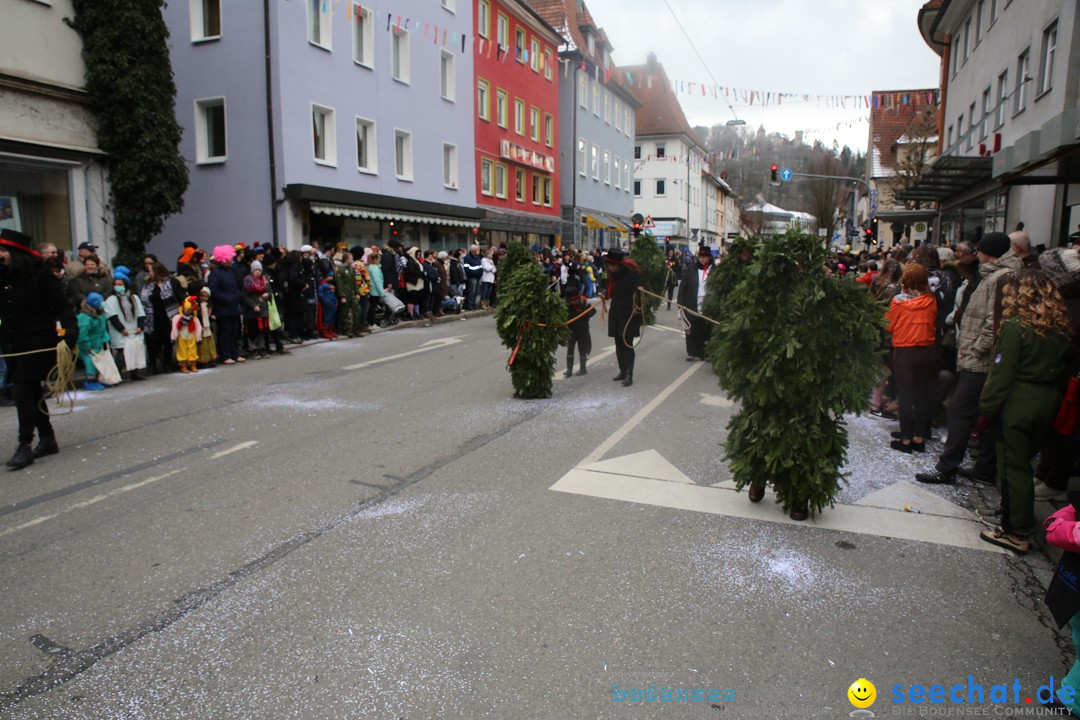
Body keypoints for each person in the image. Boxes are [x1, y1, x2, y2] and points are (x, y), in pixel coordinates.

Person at [916, 232, 1022, 485]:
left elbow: (993, 320)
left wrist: (976, 348)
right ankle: (983, 467)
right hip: (978, 354)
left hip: (980, 358)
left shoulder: (999, 277)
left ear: (988, 251)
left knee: (960, 408)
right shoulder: (994, 274)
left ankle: (948, 466)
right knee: (981, 412)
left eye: (980, 249)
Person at [978, 270, 1071, 555]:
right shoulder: (1059, 328)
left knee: (1014, 467)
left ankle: (1017, 531)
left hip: (1020, 401)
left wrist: (986, 409)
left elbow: (1002, 375)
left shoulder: (1017, 326)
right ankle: (1014, 519)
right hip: (1048, 398)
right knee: (1022, 462)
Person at [0, 229, 78, 469]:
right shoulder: (3, 277)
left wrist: (71, 333)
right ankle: (47, 437)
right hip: (14, 344)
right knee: (32, 391)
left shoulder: (40, 275)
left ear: (16, 253)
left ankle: (25, 445)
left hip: (38, 343)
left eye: (3, 251)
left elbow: (62, 306)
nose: (0, 255)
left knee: (22, 390)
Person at [884, 263, 938, 453]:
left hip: (905, 351)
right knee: (921, 395)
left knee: (906, 396)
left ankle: (906, 440)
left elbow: (888, 325)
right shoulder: (931, 300)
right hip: (927, 351)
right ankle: (919, 437)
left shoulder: (899, 301)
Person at [605, 249, 642, 387]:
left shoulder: (632, 275)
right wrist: (605, 293)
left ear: (617, 264)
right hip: (616, 312)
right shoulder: (613, 275)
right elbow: (609, 290)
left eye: (610, 265)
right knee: (618, 344)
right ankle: (622, 370)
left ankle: (629, 374)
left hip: (629, 314)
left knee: (627, 344)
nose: (608, 268)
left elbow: (640, 288)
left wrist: (640, 290)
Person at [140, 262, 183, 374]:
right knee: (153, 342)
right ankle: (152, 364)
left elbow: (180, 296)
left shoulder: (172, 283)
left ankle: (167, 364)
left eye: (151, 270)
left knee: (168, 341)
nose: (149, 273)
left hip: (168, 316)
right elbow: (144, 300)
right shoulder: (148, 284)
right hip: (153, 317)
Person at [103, 276, 147, 380]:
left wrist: (140, 326)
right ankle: (116, 375)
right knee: (121, 353)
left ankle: (135, 373)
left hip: (134, 329)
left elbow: (141, 313)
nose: (118, 287)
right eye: (116, 285)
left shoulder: (134, 298)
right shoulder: (111, 299)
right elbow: (112, 316)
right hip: (121, 331)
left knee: (135, 351)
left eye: (120, 284)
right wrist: (121, 329)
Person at [207, 245, 244, 365]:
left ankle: (235, 353)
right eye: (229, 258)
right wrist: (227, 298)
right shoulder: (215, 273)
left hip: (233, 306)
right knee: (225, 332)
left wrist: (237, 296)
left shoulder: (231, 271)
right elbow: (214, 290)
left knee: (234, 331)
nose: (232, 260)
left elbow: (236, 286)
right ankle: (226, 354)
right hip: (223, 308)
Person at [677, 246, 714, 362]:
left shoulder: (714, 270)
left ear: (709, 258)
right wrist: (680, 303)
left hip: (708, 304)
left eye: (705, 257)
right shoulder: (691, 269)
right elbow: (683, 286)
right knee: (692, 329)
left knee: (706, 329)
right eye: (701, 257)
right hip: (692, 303)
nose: (702, 260)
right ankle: (692, 352)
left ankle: (705, 352)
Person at [76, 292, 111, 391]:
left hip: (98, 343)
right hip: (88, 346)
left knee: (99, 361)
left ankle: (99, 378)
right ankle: (90, 380)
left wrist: (105, 339)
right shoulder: (84, 317)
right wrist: (86, 345)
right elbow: (82, 333)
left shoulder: (100, 315)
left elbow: (103, 329)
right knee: (90, 361)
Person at [563, 282, 595, 377]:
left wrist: (585, 315)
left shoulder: (584, 304)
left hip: (583, 331)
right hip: (571, 331)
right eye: (570, 301)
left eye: (574, 300)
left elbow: (593, 311)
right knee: (570, 350)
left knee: (582, 349)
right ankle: (569, 369)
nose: (572, 303)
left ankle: (583, 368)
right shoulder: (566, 306)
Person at [243, 260, 272, 357]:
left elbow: (270, 291)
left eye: (259, 270)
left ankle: (262, 348)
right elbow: (245, 296)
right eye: (256, 270)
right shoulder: (248, 281)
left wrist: (268, 294)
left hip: (263, 309)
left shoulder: (265, 280)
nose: (258, 272)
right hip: (253, 311)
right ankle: (253, 349)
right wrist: (253, 305)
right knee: (253, 331)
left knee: (262, 331)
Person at [171, 295, 203, 373]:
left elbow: (199, 328)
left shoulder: (194, 319)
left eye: (189, 310)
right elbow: (174, 329)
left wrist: (199, 338)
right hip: (182, 337)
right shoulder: (177, 318)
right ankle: (183, 367)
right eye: (186, 309)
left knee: (192, 352)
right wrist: (173, 338)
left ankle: (193, 366)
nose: (187, 311)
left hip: (191, 336)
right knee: (182, 353)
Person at [196, 287, 218, 368]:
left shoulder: (209, 305)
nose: (203, 298)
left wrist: (212, 315)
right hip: (201, 327)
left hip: (208, 327)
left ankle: (211, 359)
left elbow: (209, 314)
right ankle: (202, 361)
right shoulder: (198, 306)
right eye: (202, 296)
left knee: (210, 344)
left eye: (205, 296)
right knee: (202, 346)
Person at [462, 244, 483, 310]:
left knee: (476, 292)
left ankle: (473, 304)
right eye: (477, 249)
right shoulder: (468, 258)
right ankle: (470, 305)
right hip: (472, 277)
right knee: (472, 291)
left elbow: (480, 266)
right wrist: (475, 272)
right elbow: (467, 268)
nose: (478, 250)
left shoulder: (477, 257)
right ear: (473, 250)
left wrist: (480, 273)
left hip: (478, 276)